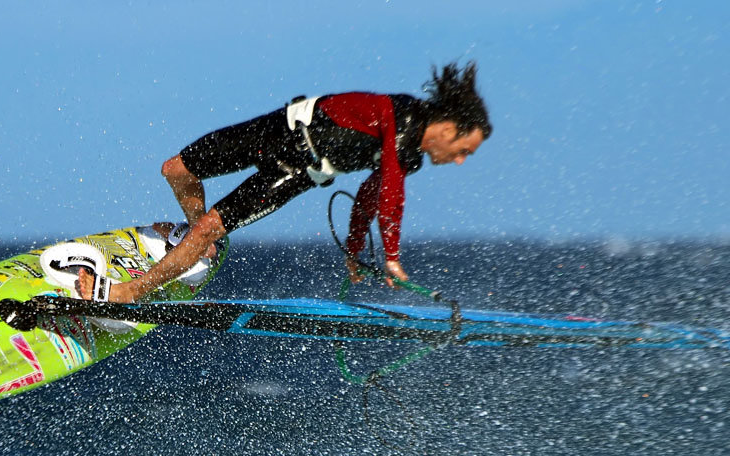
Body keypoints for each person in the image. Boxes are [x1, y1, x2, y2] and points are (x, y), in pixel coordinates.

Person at [79, 61, 492, 303]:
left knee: (209, 226)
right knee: (176, 169)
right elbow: (388, 195)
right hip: (279, 130)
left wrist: (356, 249)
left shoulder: (407, 156)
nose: (458, 161)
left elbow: (372, 196)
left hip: (295, 173)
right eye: (463, 151)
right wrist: (391, 254)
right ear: (451, 127)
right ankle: (199, 244)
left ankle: (130, 291)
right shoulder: (402, 117)